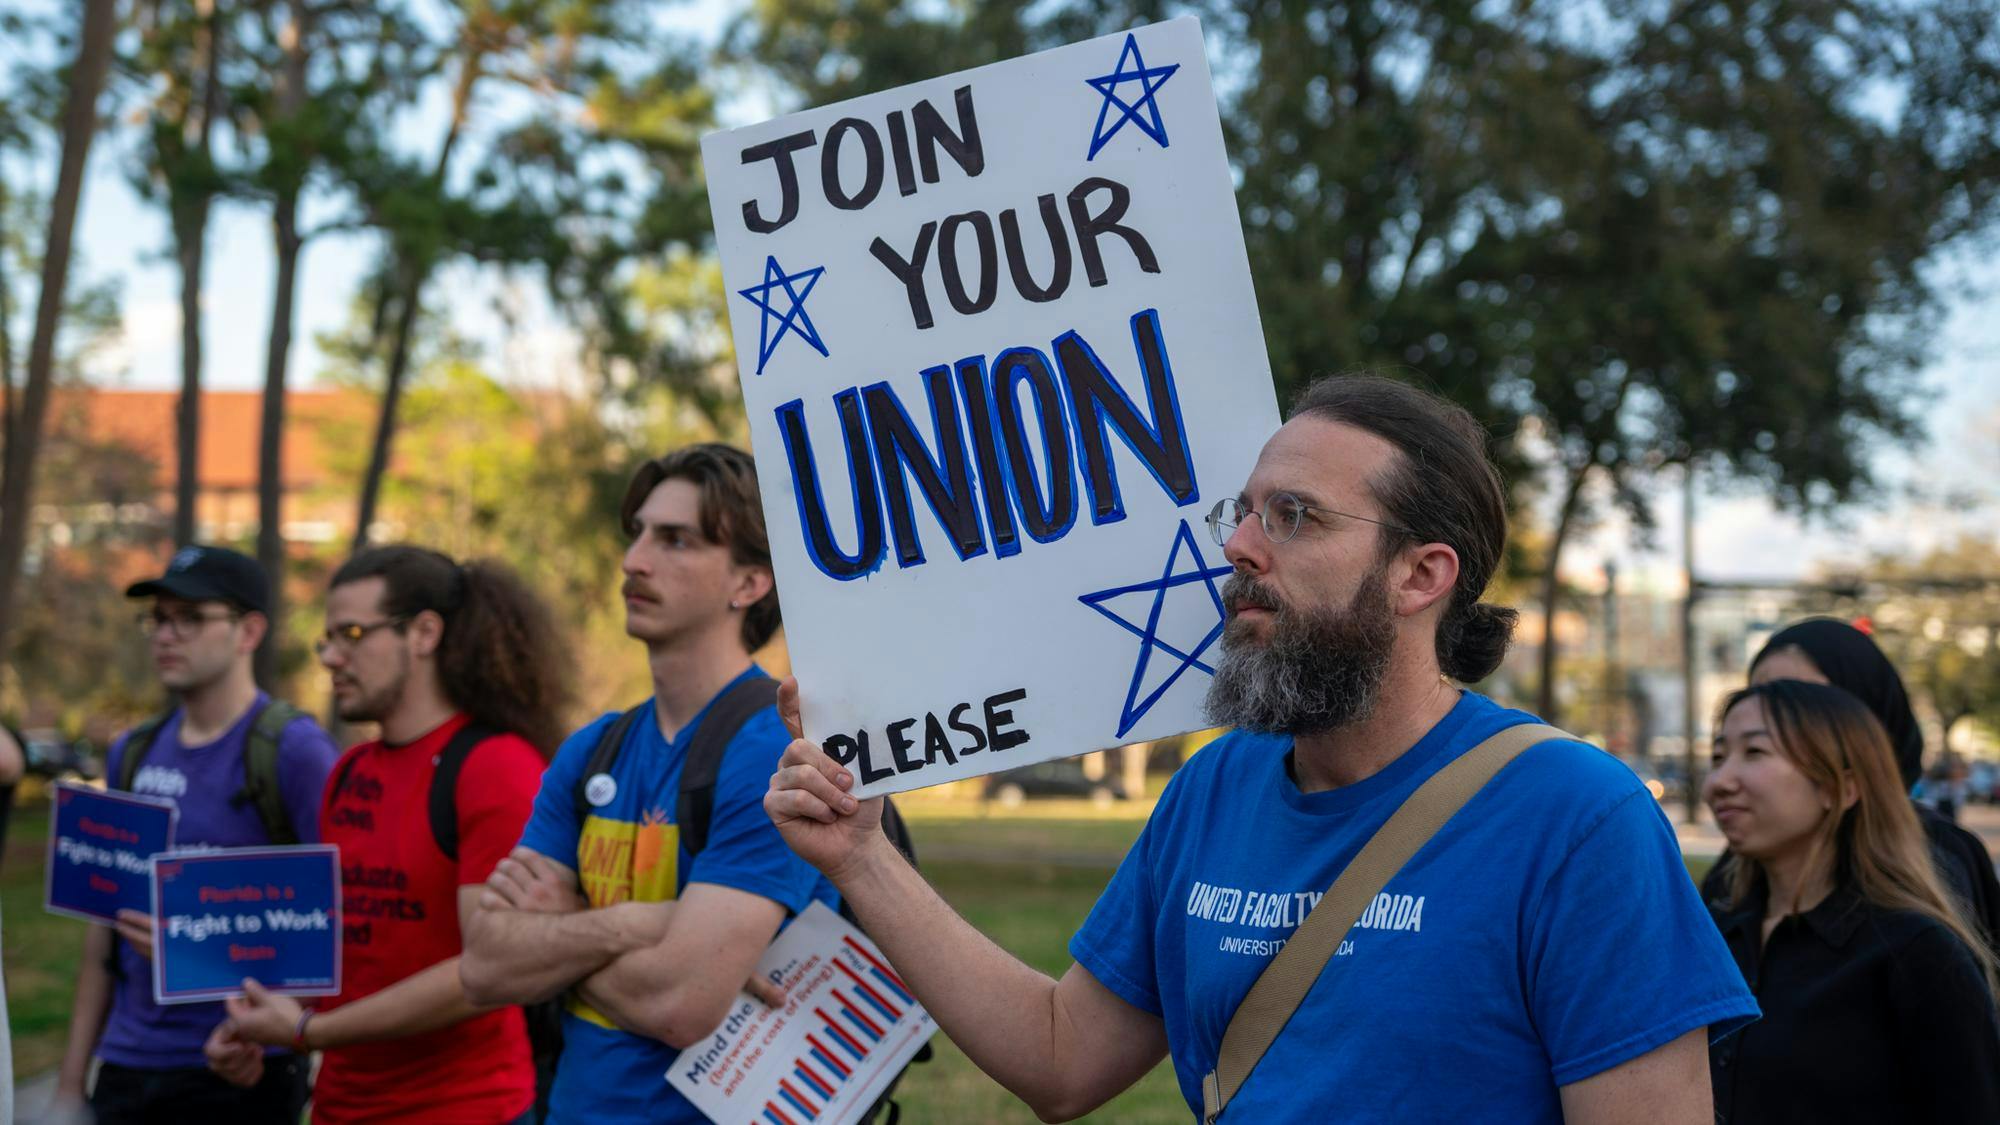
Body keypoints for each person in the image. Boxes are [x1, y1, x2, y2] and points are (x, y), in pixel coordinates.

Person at [767, 374, 1758, 1123]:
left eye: (1292, 518)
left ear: (1419, 575)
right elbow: (1062, 1057)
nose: (1239, 546)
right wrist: (859, 853)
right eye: (1241, 512)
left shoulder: (1575, 819)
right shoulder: (1213, 789)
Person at [461, 444, 835, 1125]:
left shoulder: (772, 752)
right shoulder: (592, 749)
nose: (634, 559)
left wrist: (559, 926)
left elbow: (679, 1005)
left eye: (675, 540)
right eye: (637, 532)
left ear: (749, 582)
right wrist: (646, 922)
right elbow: (484, 966)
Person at [205, 546, 569, 1124]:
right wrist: (258, 1027)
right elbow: (342, 946)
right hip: (339, 1107)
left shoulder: (495, 766)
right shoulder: (350, 771)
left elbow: (486, 972)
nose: (329, 657)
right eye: (327, 638)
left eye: (351, 633)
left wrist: (307, 1030)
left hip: (465, 1110)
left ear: (424, 633)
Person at [54, 545, 341, 1124]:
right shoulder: (132, 754)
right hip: (127, 1065)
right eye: (159, 618)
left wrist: (202, 956)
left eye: (190, 618)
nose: (166, 635)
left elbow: (337, 923)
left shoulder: (293, 751)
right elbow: (101, 937)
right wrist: (67, 1084)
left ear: (249, 631)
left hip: (237, 1070)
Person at [1703, 678, 2000, 1122]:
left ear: (1841, 788)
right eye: (1718, 756)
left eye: (1755, 752)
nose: (1718, 781)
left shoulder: (1917, 954)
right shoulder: (1713, 929)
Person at [1702, 617, 2000, 953]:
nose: (1773, 708)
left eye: (1806, 697)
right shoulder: (1730, 883)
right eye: (1758, 693)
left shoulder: (1933, 873)